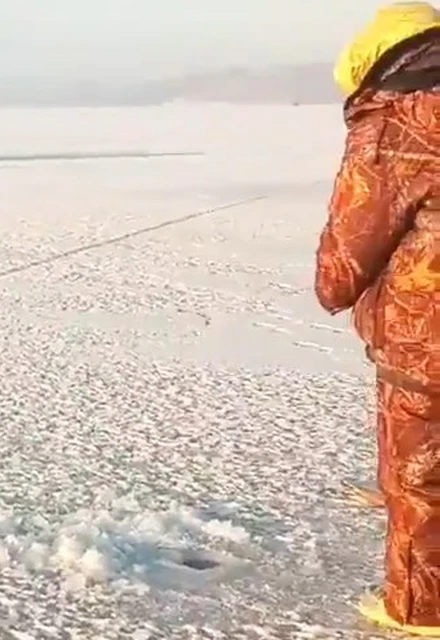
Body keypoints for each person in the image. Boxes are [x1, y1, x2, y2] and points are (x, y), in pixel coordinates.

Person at [314, 2, 440, 633]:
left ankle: (421, 614)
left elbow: (344, 264)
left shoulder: (396, 122)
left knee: (420, 479)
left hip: (429, 344)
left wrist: (335, 286)